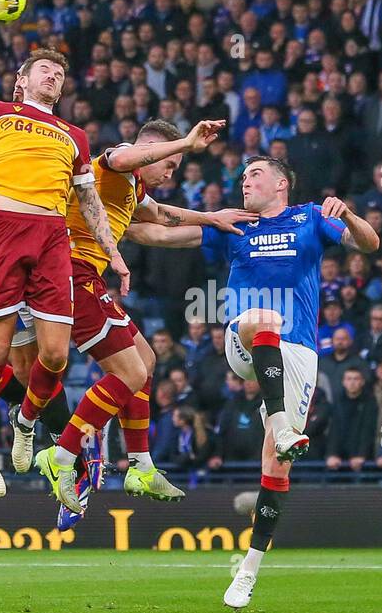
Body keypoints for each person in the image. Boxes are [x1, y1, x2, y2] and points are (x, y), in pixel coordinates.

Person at [128, 155, 379, 609]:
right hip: (245, 338)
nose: (245, 181)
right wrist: (108, 215)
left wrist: (350, 215)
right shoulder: (232, 225)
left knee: (276, 469)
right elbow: (154, 233)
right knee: (263, 316)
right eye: (243, 176)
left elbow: (369, 244)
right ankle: (282, 424)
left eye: (255, 175)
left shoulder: (309, 218)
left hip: (298, 352)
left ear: (281, 184)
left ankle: (247, 571)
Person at [29, 117, 252, 519]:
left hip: (84, 277)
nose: (169, 172)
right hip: (68, 273)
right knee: (129, 374)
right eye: (168, 164)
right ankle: (61, 454)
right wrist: (184, 143)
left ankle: (140, 467)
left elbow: (162, 218)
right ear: (150, 148)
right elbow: (121, 156)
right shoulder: (111, 166)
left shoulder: (132, 189)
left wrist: (212, 219)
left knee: (145, 361)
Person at [0, 49, 125, 498]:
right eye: (45, 70)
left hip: (51, 236)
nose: (54, 76)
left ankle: (25, 422)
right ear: (21, 80)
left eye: (60, 73)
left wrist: (112, 252)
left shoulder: (74, 135)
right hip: (2, 229)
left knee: (57, 355)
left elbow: (89, 200)